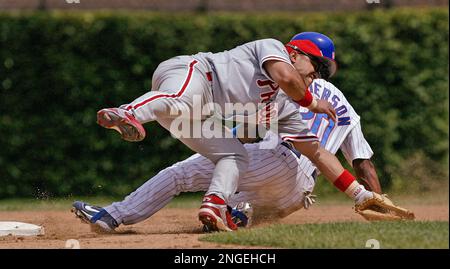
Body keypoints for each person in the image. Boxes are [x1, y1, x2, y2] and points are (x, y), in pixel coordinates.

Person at [94, 32, 374, 231]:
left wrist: (361, 196)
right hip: (195, 73)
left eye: (324, 72)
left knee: (233, 157)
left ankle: (214, 204)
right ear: (293, 53)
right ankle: (129, 112)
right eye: (317, 65)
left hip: (201, 114)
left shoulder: (280, 105)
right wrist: (312, 103)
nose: (319, 75)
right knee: (181, 100)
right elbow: (287, 77)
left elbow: (316, 152)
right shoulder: (272, 46)